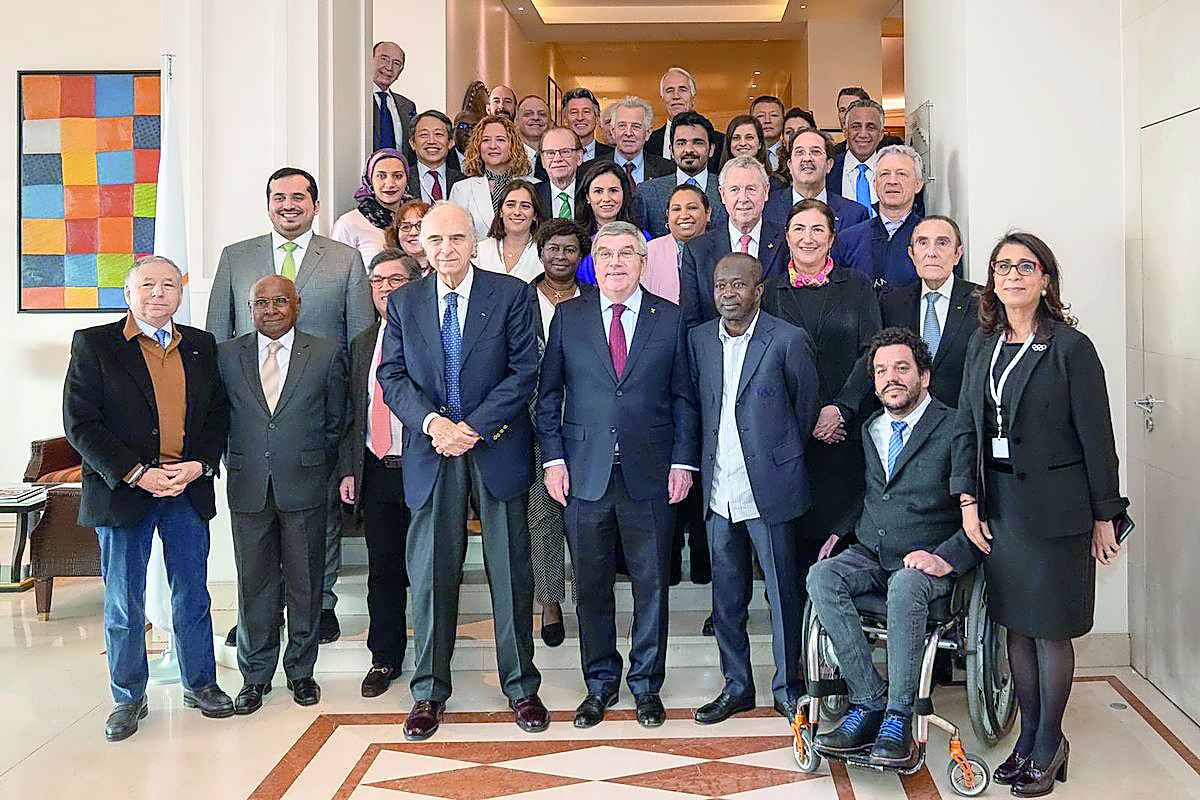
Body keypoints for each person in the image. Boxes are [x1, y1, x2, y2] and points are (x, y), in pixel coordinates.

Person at [952, 232, 1127, 796]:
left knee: (1050, 631)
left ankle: (1050, 743)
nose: (1013, 275)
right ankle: (1027, 739)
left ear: (1046, 279)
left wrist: (1106, 515)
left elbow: (1098, 439)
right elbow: (966, 428)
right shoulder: (982, 344)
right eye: (1003, 266)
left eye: (1026, 266)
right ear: (992, 279)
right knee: (1016, 630)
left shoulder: (1072, 348)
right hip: (999, 507)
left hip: (1058, 511)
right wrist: (968, 501)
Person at [377, 202, 546, 741]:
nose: (445, 249)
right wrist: (433, 425)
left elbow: (525, 371)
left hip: (494, 446)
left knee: (511, 570)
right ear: (420, 247)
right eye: (434, 240)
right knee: (430, 575)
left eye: (455, 238)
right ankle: (428, 690)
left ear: (474, 241)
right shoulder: (404, 302)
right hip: (432, 451)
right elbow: (393, 374)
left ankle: (521, 686)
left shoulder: (511, 294)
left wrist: (471, 427)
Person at [535, 221, 699, 730]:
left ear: (643, 261)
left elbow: (684, 398)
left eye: (627, 253)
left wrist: (683, 460)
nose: (615, 262)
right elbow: (548, 398)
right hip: (583, 475)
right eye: (605, 253)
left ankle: (647, 686)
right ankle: (599, 684)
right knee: (591, 586)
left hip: (650, 474)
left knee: (652, 586)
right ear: (594, 261)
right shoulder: (569, 316)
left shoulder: (670, 319)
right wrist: (553, 460)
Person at [64, 255, 233, 741]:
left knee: (193, 593)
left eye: (168, 285)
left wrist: (199, 464)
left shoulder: (201, 346)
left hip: (184, 487)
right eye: (147, 285)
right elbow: (80, 422)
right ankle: (127, 696)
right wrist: (135, 473)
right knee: (123, 599)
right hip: (124, 492)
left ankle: (200, 683)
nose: (158, 293)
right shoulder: (95, 344)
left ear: (180, 292)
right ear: (129, 293)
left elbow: (217, 413)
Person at [207, 167, 373, 645]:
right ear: (268, 204)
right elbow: (220, 332)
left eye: (299, 196)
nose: (288, 205)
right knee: (255, 525)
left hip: (319, 404)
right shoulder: (236, 258)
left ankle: (320, 605)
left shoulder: (343, 259)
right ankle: (258, 615)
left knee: (317, 517)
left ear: (315, 205)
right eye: (279, 197)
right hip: (253, 412)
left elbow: (359, 334)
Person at [808, 327, 980, 767]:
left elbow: (978, 504)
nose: (891, 378)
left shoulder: (956, 424)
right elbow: (876, 491)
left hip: (928, 557)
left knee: (906, 584)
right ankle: (868, 699)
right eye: (881, 370)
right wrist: (841, 530)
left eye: (902, 368)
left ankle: (899, 715)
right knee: (821, 576)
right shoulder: (871, 428)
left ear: (925, 376)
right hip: (873, 550)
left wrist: (945, 558)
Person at [687, 252, 819, 724]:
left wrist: (777, 457)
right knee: (726, 596)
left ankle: (789, 688)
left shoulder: (787, 340)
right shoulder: (698, 339)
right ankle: (736, 685)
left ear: (758, 289)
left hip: (771, 487)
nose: (728, 294)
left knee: (783, 594)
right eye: (721, 285)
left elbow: (805, 410)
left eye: (738, 285)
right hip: (718, 490)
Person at [217, 275, 346, 713]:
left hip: (305, 483)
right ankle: (255, 676)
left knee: (306, 584)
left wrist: (314, 463)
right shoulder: (227, 356)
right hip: (249, 485)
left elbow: (337, 421)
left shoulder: (326, 353)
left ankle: (301, 671)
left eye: (280, 301)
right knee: (254, 584)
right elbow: (218, 417)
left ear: (298, 305)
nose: (271, 310)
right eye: (261, 303)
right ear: (249, 308)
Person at [762, 199, 881, 610]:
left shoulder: (858, 284)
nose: (808, 238)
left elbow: (871, 352)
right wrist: (807, 416)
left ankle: (838, 646)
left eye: (817, 229)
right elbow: (765, 363)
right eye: (799, 229)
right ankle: (798, 651)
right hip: (792, 438)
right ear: (786, 237)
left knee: (840, 543)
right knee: (795, 546)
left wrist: (840, 409)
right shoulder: (770, 291)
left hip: (845, 435)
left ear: (832, 238)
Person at [339, 249, 424, 698]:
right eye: (377, 281)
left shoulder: (431, 335)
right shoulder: (361, 343)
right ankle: (384, 657)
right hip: (375, 470)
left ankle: (432, 657)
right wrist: (350, 469)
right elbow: (354, 411)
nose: (386, 289)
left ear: (415, 282)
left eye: (395, 280)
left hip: (424, 468)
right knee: (383, 570)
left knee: (430, 570)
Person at [526, 219, 592, 648]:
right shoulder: (519, 299)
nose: (561, 256)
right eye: (554, 248)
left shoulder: (595, 297)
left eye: (570, 249)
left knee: (586, 515)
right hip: (534, 421)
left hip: (587, 421)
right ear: (541, 251)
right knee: (544, 514)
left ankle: (590, 598)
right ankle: (550, 602)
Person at [879, 215, 978, 407]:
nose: (932, 252)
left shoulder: (982, 302)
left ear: (958, 254)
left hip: (964, 420)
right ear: (912, 253)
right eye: (923, 243)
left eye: (942, 243)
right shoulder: (891, 303)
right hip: (909, 417)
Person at [680, 156, 785, 330]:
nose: (743, 198)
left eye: (751, 189)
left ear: (766, 192)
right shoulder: (697, 250)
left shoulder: (785, 240)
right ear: (722, 194)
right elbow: (691, 319)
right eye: (734, 190)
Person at [833, 145, 928, 291]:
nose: (892, 181)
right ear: (875, 184)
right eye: (884, 174)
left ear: (918, 184)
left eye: (901, 174)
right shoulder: (848, 240)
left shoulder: (931, 241)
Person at [638, 111, 728, 238]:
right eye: (681, 143)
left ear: (711, 150)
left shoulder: (728, 189)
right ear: (671, 150)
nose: (689, 149)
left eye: (698, 142)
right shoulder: (648, 192)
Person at [448, 114, 537, 240]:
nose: (493, 146)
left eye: (500, 140)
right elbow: (456, 235)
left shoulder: (534, 186)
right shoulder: (462, 189)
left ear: (513, 145)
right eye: (486, 140)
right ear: (478, 146)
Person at [764, 129, 870, 233]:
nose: (807, 158)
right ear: (790, 165)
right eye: (800, 152)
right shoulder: (766, 208)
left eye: (815, 152)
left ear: (829, 165)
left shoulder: (854, 215)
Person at [331, 148, 411, 264]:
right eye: (381, 176)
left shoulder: (417, 219)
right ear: (370, 181)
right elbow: (337, 271)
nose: (390, 184)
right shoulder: (349, 223)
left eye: (397, 176)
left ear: (407, 180)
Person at [574, 160, 642, 284]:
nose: (606, 199)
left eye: (613, 190)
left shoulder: (641, 238)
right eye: (598, 191)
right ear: (587, 197)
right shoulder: (574, 239)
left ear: (624, 194)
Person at [642, 183, 711, 304]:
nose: (684, 215)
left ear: (708, 213)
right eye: (676, 209)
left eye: (692, 208)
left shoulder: (723, 249)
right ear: (668, 215)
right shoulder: (648, 252)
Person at [582, 96, 673, 186]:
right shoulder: (589, 170)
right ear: (613, 131)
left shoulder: (668, 170)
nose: (628, 133)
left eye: (636, 126)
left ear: (648, 133)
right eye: (622, 126)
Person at [476, 179, 547, 282]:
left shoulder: (545, 253)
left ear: (535, 215)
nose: (517, 212)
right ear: (500, 212)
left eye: (525, 206)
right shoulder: (480, 251)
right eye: (510, 205)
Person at [410, 111, 465, 204]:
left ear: (450, 142)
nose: (431, 141)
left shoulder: (463, 181)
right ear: (412, 143)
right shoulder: (402, 180)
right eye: (424, 135)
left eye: (438, 134)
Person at [371, 41, 416, 153]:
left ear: (401, 71)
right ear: (369, 59)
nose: (389, 67)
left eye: (396, 63)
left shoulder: (407, 106)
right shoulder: (356, 100)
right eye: (384, 59)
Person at [831, 87, 902, 157]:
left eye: (852, 108)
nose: (846, 115)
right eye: (842, 110)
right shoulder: (834, 153)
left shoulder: (892, 146)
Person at [718, 115, 784, 189]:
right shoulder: (717, 183)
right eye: (736, 138)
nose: (742, 143)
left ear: (760, 144)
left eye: (749, 137)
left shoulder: (778, 184)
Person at [535, 126, 584, 220]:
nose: (557, 159)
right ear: (542, 160)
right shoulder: (532, 196)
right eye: (550, 153)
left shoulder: (590, 194)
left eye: (565, 152)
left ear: (579, 157)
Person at [562, 87, 614, 162]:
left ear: (597, 118)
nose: (580, 118)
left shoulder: (613, 156)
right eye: (574, 112)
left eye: (586, 112)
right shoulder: (552, 155)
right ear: (565, 119)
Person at [386, 199, 433, 275]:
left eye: (420, 226)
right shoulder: (387, 271)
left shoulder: (447, 270)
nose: (413, 233)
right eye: (405, 227)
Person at [516, 94, 551, 179]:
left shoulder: (560, 158)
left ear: (550, 122)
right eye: (528, 114)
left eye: (542, 114)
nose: (536, 118)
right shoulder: (506, 157)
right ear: (516, 121)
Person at [750, 95, 786, 170]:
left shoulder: (790, 153)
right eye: (760, 116)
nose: (767, 121)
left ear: (783, 120)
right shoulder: (744, 154)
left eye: (773, 115)